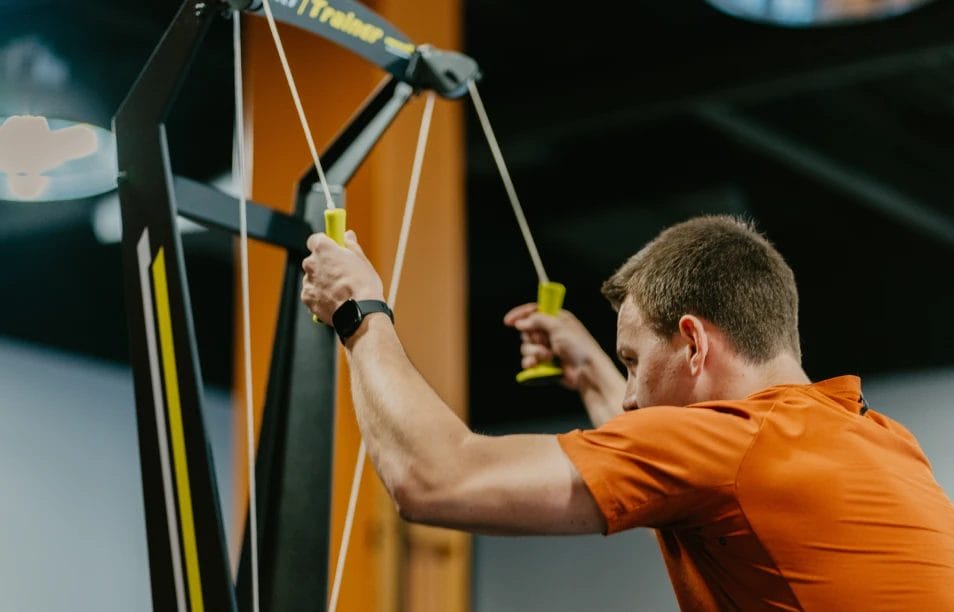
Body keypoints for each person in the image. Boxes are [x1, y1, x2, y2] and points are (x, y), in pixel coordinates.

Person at [301, 214, 954, 609]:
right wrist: (592, 368)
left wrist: (359, 310)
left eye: (636, 362)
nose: (633, 396)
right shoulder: (878, 437)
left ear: (695, 343)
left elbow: (435, 477)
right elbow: (680, 468)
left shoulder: (734, 444)